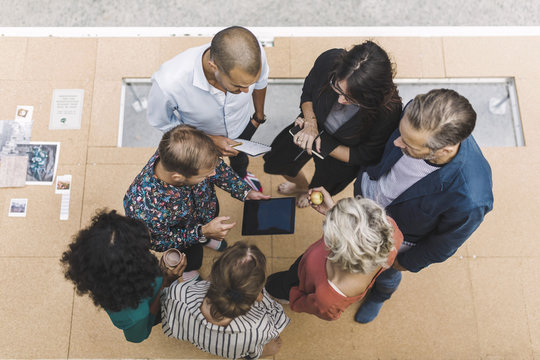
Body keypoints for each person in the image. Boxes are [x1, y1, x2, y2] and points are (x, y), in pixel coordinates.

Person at [353, 89, 494, 323]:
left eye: (409, 144)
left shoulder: (470, 198)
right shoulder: (415, 118)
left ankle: (380, 294)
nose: (397, 142)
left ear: (443, 150)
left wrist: (399, 263)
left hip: (395, 239)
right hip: (369, 197)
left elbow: (441, 246)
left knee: (385, 274)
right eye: (401, 132)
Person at [263, 41, 402, 207]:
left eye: (351, 98)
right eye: (337, 88)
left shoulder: (388, 111)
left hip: (341, 157)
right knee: (278, 161)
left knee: (320, 189)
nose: (340, 100)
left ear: (372, 96)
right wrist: (310, 122)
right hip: (309, 128)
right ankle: (300, 187)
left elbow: (365, 155)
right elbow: (308, 93)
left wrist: (323, 143)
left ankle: (306, 190)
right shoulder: (329, 60)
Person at [124, 125, 269, 282]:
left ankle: (207, 239)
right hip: (185, 238)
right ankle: (188, 270)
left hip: (206, 208)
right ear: (178, 177)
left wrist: (245, 192)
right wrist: (201, 232)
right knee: (192, 257)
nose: (214, 173)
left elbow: (216, 168)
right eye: (206, 175)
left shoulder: (184, 152)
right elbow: (158, 241)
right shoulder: (144, 210)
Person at [147, 25, 269, 192]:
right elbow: (161, 122)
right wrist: (209, 140)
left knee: (240, 158)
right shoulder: (169, 82)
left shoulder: (255, 56)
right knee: (204, 174)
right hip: (200, 143)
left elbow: (261, 82)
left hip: (241, 126)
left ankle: (241, 174)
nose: (246, 91)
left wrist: (259, 116)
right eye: (238, 85)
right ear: (214, 67)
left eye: (249, 84)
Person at [265, 189, 403, 321]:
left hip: (300, 283)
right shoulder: (387, 231)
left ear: (338, 248)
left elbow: (304, 303)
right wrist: (333, 211)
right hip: (305, 268)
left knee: (276, 286)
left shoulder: (327, 299)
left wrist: (293, 297)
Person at [60, 210, 187, 343]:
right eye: (141, 250)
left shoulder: (99, 268)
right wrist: (165, 283)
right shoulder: (135, 314)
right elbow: (138, 336)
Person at [161, 241, 290, 359]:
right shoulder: (258, 328)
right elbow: (279, 319)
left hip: (199, 339)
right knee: (270, 346)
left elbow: (170, 327)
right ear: (255, 291)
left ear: (213, 274)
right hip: (238, 346)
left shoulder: (178, 295)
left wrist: (169, 280)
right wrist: (263, 298)